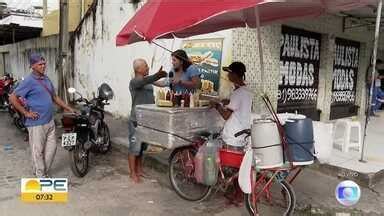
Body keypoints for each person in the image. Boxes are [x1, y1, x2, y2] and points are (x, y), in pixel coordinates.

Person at [9, 53, 74, 178]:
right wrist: (26, 113)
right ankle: (41, 176)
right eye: (40, 64)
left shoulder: (46, 79)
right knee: (37, 151)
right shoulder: (28, 81)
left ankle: (41, 171)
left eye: (44, 64)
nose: (43, 66)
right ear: (33, 66)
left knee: (52, 148)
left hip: (49, 120)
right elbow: (12, 98)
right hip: (36, 123)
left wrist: (68, 108)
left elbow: (54, 97)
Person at [128, 58, 167, 183]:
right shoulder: (134, 82)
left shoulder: (149, 81)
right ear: (138, 69)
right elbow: (145, 80)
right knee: (134, 148)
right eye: (145, 66)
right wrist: (156, 75)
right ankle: (132, 173)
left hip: (146, 120)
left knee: (142, 147)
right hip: (136, 120)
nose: (148, 67)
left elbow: (162, 83)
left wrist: (175, 80)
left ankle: (139, 170)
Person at [211, 62, 253, 149]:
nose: (227, 75)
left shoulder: (237, 93)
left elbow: (226, 116)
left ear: (234, 75)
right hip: (241, 135)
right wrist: (229, 101)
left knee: (230, 162)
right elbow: (242, 105)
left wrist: (216, 105)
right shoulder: (247, 91)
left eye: (229, 73)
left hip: (233, 137)